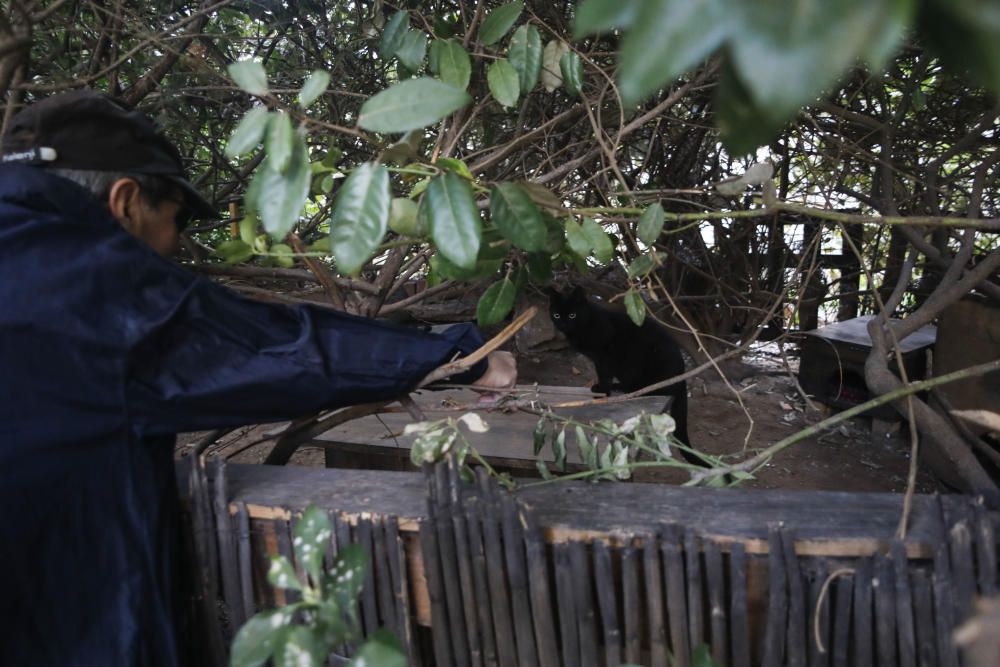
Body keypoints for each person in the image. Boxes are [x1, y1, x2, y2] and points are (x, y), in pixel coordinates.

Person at [0, 90, 516, 666]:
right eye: (175, 221)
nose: (173, 247)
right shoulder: (83, 281)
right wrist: (461, 354)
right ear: (125, 202)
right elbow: (277, 348)